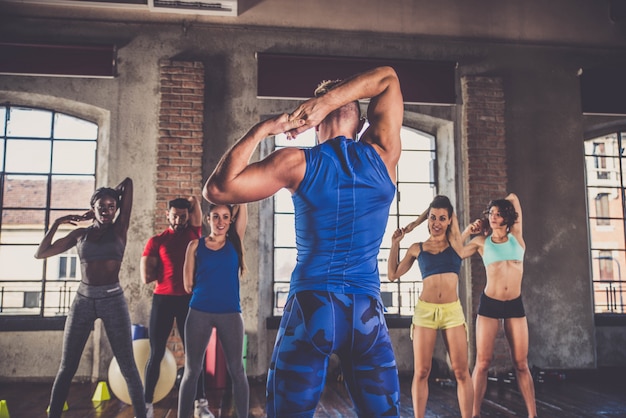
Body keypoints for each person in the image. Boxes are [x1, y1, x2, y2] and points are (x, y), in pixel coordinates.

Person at [204, 65, 404, 417]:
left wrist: (265, 129)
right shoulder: (383, 154)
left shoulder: (297, 162)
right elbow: (387, 78)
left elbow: (218, 189)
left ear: (312, 123)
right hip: (366, 313)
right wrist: (329, 101)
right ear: (360, 123)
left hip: (313, 307)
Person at [34, 177, 147, 418]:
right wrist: (56, 222)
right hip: (83, 301)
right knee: (67, 367)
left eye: (111, 206)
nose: (106, 210)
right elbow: (41, 253)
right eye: (101, 206)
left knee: (128, 366)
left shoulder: (120, 227)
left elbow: (128, 183)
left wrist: (111, 196)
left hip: (113, 300)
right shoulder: (79, 234)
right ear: (92, 208)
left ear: (116, 209)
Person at [388, 195, 473, 418]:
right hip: (425, 312)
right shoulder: (418, 248)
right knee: (422, 371)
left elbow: (451, 219)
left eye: (441, 218)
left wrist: (417, 221)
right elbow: (392, 274)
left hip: (451, 312)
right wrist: (395, 243)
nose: (436, 222)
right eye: (432, 217)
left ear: (449, 220)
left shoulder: (456, 244)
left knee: (461, 372)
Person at [463, 193, 537, 418]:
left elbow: (514, 197)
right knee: (483, 363)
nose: (493, 217)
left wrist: (498, 208)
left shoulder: (517, 236)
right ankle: (473, 414)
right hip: (490, 306)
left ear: (507, 218)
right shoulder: (481, 242)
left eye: (498, 214)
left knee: (521, 364)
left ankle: (533, 415)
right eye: (490, 214)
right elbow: (455, 253)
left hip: (515, 305)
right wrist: (469, 231)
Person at [141, 196, 211, 418]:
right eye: (175, 215)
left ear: (188, 216)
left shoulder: (195, 234)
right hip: (162, 301)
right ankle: (146, 405)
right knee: (156, 353)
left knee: (194, 355)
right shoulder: (157, 241)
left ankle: (200, 404)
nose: (179, 219)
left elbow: (197, 210)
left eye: (183, 216)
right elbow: (146, 277)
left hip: (188, 301)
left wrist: (192, 200)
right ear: (167, 215)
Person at [178, 203, 249, 418]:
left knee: (237, 370)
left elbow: (243, 204)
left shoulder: (235, 242)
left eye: (225, 217)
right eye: (215, 216)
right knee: (192, 370)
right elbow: (187, 285)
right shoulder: (194, 246)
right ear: (207, 219)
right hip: (200, 312)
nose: (220, 222)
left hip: (230, 313)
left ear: (230, 220)